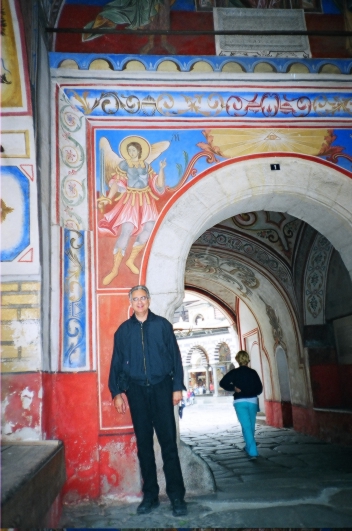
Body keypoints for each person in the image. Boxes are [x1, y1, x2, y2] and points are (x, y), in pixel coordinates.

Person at [108, 285, 187, 516]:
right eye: (135, 299)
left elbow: (176, 358)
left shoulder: (162, 326)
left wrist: (176, 387)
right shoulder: (123, 332)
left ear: (149, 300)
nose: (140, 302)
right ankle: (150, 495)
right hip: (137, 392)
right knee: (144, 446)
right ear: (130, 303)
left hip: (162, 389)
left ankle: (176, 497)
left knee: (169, 445)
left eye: (143, 298)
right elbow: (116, 363)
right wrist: (117, 392)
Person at [98, 137, 167, 285]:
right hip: (130, 200)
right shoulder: (124, 165)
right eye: (129, 150)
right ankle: (114, 269)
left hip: (146, 200)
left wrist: (161, 169)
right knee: (126, 230)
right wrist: (109, 197)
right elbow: (117, 182)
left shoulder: (146, 165)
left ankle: (130, 260)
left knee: (149, 228)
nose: (131, 153)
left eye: (133, 150)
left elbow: (158, 184)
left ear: (139, 151)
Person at [219, 350, 263, 460]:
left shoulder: (234, 373)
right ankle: (250, 448)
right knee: (251, 426)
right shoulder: (253, 373)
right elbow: (259, 389)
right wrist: (251, 391)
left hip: (240, 402)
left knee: (246, 425)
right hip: (252, 401)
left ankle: (252, 451)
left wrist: (233, 388)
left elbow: (222, 383)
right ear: (248, 359)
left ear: (237, 360)